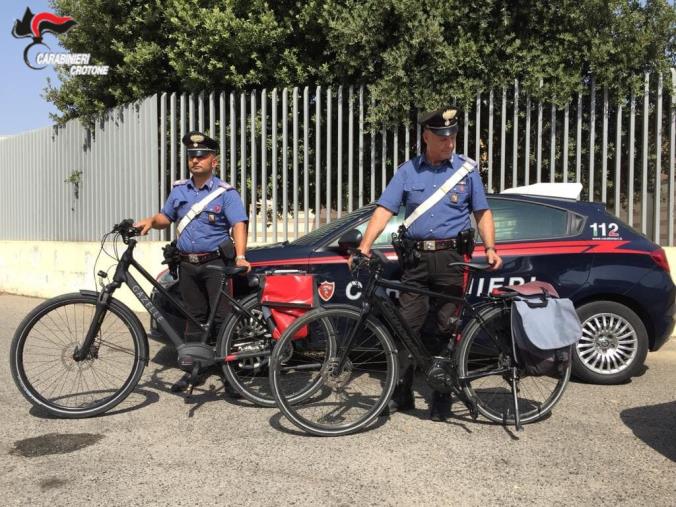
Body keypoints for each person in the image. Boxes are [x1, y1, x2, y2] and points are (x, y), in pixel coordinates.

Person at [352, 107, 503, 422]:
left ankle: (441, 398)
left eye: (452, 136)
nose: (449, 143)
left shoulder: (467, 171)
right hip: (416, 258)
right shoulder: (408, 171)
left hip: (452, 259)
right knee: (406, 325)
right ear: (425, 136)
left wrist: (490, 247)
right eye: (441, 137)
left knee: (444, 328)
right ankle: (402, 393)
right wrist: (364, 245)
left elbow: (482, 212)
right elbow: (384, 209)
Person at [135, 131, 251, 393]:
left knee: (222, 318)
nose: (196, 160)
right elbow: (166, 217)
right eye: (191, 156)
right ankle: (193, 371)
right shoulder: (179, 190)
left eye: (202, 155)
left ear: (214, 161)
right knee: (194, 318)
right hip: (187, 264)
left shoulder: (225, 193)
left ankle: (229, 375)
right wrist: (151, 222)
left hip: (215, 264)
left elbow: (239, 225)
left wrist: (241, 256)